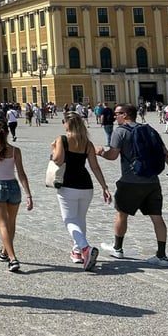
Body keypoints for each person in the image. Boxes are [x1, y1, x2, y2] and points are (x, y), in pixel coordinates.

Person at [95, 103, 168, 266]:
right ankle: (162, 256)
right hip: (152, 182)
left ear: (126, 114)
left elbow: (112, 156)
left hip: (130, 181)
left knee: (121, 214)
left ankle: (118, 248)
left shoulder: (120, 132)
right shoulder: (150, 130)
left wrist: (100, 151)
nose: (115, 116)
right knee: (157, 218)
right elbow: (165, 154)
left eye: (117, 113)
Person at [51, 113, 111, 270]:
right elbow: (95, 167)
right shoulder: (87, 143)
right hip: (86, 185)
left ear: (67, 124)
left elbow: (57, 160)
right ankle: (76, 252)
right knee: (80, 219)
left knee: (69, 220)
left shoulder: (62, 139)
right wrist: (104, 187)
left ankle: (85, 248)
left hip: (68, 184)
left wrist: (54, 149)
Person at [0, 122, 33, 272]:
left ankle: (12, 258)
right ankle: (4, 251)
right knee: (11, 222)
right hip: (13, 187)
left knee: (2, 224)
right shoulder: (15, 151)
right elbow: (21, 173)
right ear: (7, 132)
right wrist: (28, 194)